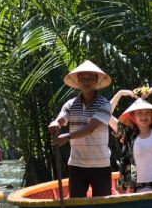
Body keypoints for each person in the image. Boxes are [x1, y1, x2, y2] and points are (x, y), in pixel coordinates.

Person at [48, 60, 113, 198]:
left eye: (90, 78)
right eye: (82, 78)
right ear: (78, 81)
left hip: (100, 164)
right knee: (76, 202)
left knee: (102, 205)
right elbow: (60, 119)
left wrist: (67, 137)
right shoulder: (70, 104)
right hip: (77, 164)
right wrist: (55, 124)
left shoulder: (104, 104)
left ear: (96, 80)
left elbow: (91, 128)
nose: (86, 82)